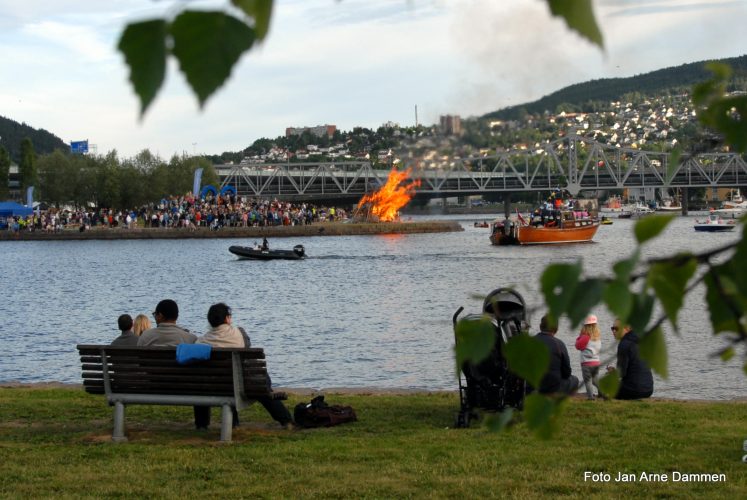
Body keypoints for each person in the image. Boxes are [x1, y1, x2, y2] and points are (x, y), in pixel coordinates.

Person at [193, 303, 293, 429]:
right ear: (227, 319)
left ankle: (202, 425)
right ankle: (286, 420)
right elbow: (247, 346)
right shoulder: (239, 334)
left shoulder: (201, 341)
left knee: (215, 379)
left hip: (212, 386)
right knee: (260, 384)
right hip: (239, 384)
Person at [532, 314, 579, 395]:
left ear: (540, 326)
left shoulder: (529, 342)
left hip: (532, 385)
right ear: (556, 329)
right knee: (575, 380)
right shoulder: (559, 344)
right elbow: (567, 372)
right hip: (552, 387)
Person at [607, 320, 654, 400]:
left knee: (606, 385)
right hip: (648, 389)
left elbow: (621, 373)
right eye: (612, 328)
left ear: (627, 329)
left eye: (617, 329)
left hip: (632, 390)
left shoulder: (624, 344)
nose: (614, 331)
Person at [575, 314, 602, 400]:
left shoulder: (585, 337)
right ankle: (603, 393)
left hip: (586, 363)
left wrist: (579, 337)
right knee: (595, 380)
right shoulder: (598, 337)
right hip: (596, 362)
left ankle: (591, 397)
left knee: (588, 381)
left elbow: (578, 346)